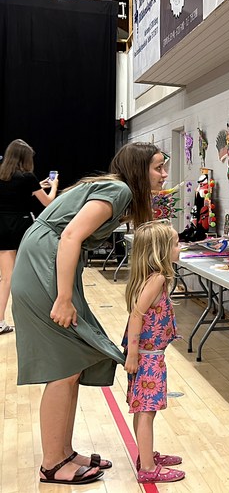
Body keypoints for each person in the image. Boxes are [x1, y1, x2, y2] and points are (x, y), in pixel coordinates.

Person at [12, 142, 167, 485]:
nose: (164, 174)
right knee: (63, 366)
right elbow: (70, 236)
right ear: (139, 170)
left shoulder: (117, 189)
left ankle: (64, 453)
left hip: (47, 260)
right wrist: (64, 297)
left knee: (72, 363)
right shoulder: (119, 190)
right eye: (158, 167)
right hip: (45, 264)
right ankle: (52, 464)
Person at [122, 220, 185, 484]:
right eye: (176, 244)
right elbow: (137, 315)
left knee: (143, 409)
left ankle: (145, 455)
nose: (180, 248)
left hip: (147, 355)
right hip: (147, 357)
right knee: (147, 411)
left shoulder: (153, 278)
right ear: (161, 250)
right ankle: (147, 468)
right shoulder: (157, 279)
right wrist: (132, 355)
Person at [0, 139, 58, 334]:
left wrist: (36, 186)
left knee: (6, 278)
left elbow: (13, 194)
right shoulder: (27, 177)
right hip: (21, 227)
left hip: (2, 227)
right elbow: (48, 202)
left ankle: (0, 320)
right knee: (33, 273)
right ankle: (36, 317)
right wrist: (54, 186)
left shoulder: (2, 175)